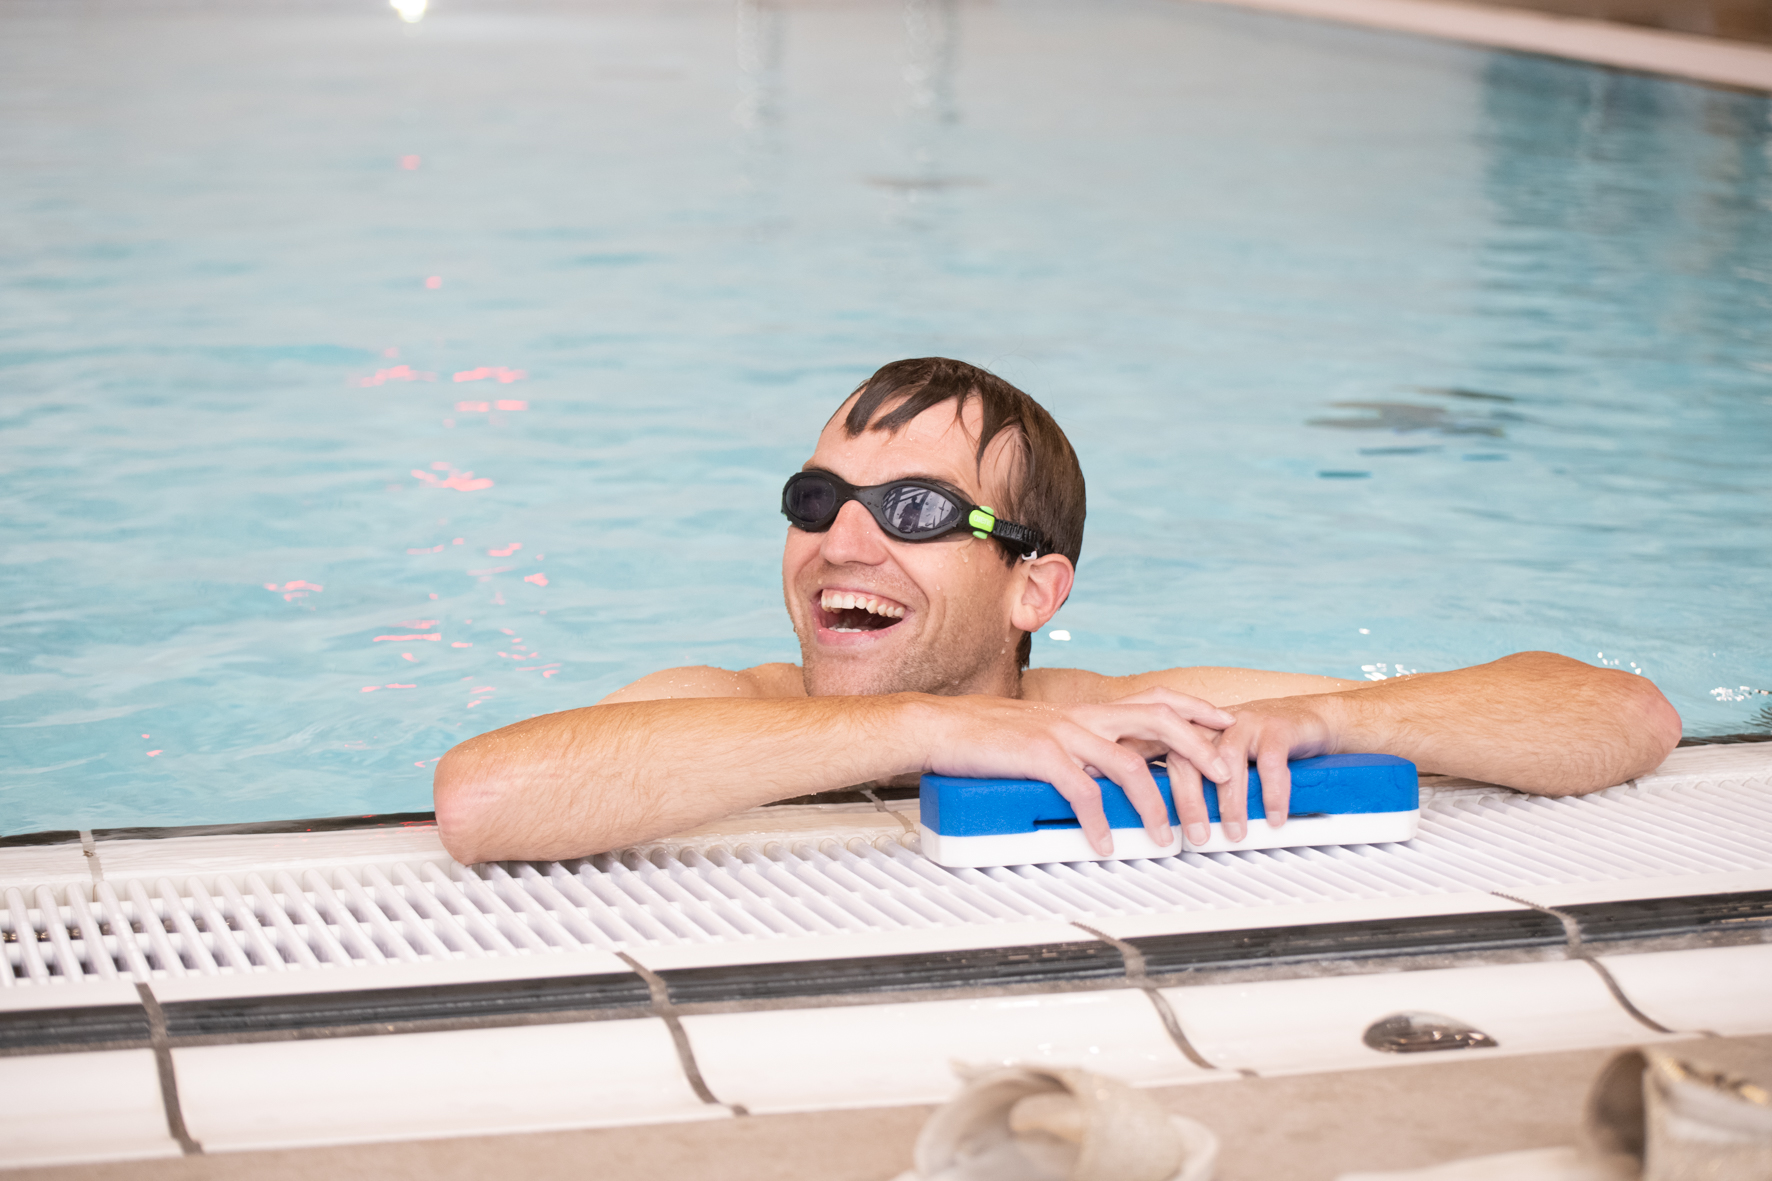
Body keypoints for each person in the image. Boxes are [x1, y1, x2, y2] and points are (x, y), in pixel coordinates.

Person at [433, 358, 1682, 865]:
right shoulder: (721, 711)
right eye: (819, 497)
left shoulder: (1109, 715)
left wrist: (1317, 718)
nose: (840, 542)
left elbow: (1616, 712)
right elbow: (486, 800)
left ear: (1035, 586)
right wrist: (921, 728)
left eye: (917, 508)